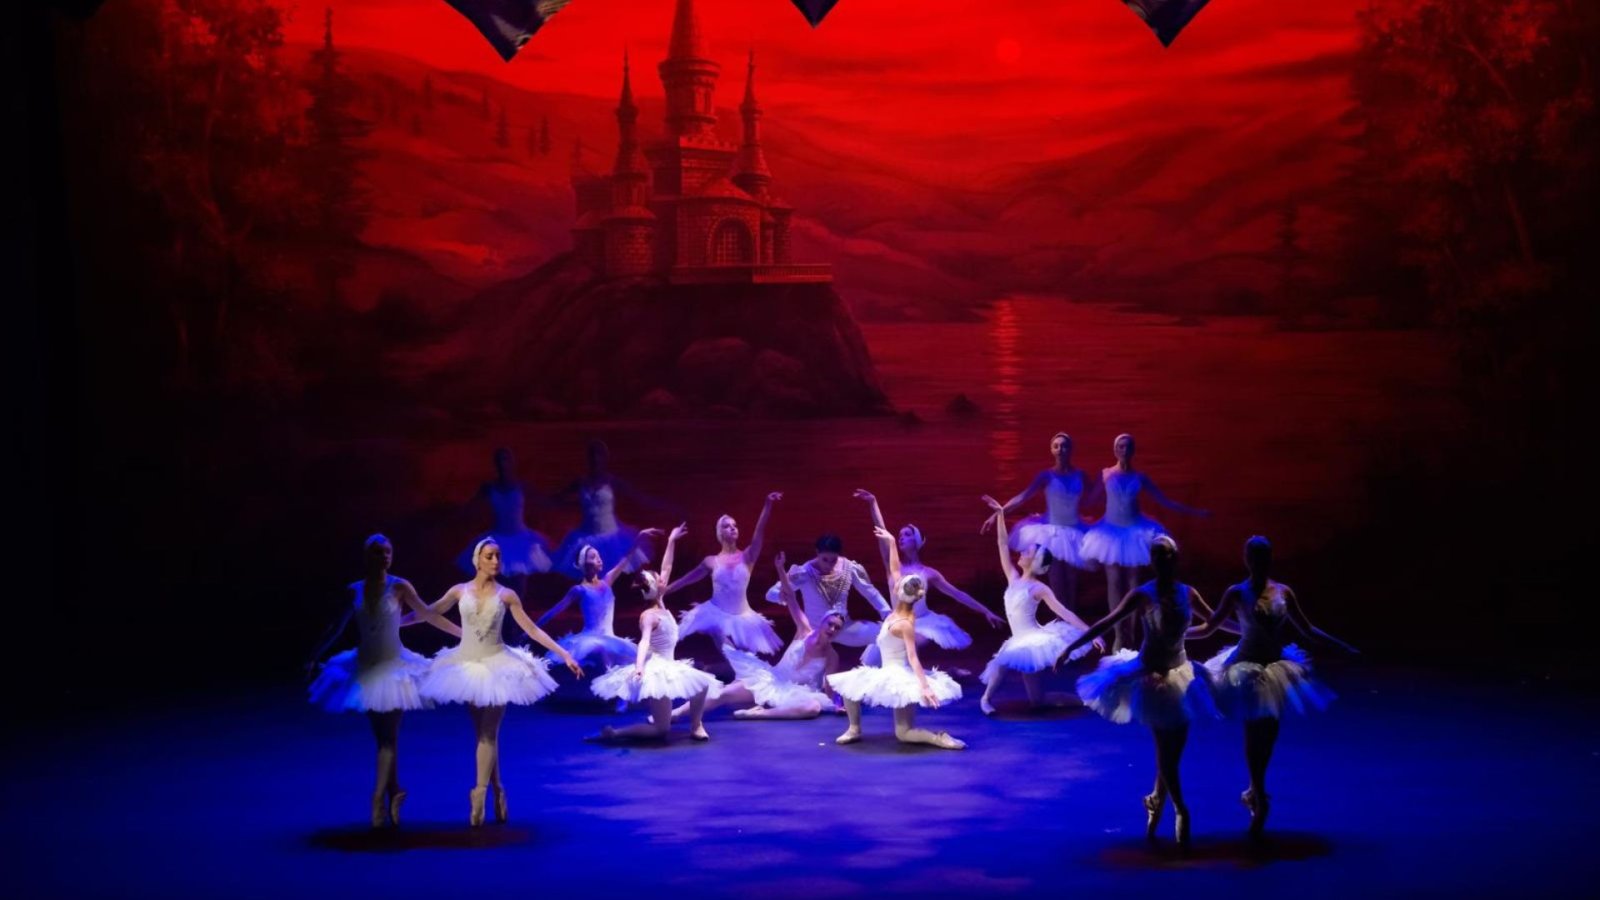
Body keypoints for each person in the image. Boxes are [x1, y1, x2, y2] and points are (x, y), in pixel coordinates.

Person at [1188, 535, 1357, 837]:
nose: (1258, 562)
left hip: (1276, 666)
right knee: (1255, 729)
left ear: (1268, 559)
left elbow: (1307, 629)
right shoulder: (1237, 592)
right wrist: (1175, 635)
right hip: (1245, 667)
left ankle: (1255, 788)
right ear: (1247, 560)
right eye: (1254, 557)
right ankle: (1259, 792)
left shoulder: (1283, 591)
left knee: (1270, 731)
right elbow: (1210, 626)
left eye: (1263, 557)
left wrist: (1340, 645)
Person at [418, 538, 585, 826]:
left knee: (488, 733)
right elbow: (427, 612)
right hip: (467, 667)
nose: (495, 561)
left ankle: (478, 795)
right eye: (489, 556)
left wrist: (565, 654)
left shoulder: (507, 595)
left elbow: (531, 629)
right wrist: (393, 623)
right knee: (483, 736)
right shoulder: (459, 591)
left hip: (498, 667)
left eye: (498, 556)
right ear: (477, 560)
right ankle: (498, 790)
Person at [1064, 535, 1215, 849]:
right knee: (1165, 751)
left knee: (1175, 750)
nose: (1162, 561)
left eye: (1166, 555)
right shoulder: (1143, 594)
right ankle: (1181, 809)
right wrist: (1071, 647)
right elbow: (1108, 621)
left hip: (1182, 673)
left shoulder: (1188, 593)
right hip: (1152, 676)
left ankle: (1156, 798)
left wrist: (1256, 632)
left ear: (1175, 558)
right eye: (1157, 556)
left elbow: (1213, 624)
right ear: (1152, 561)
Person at [307, 534, 461, 827]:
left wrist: (463, 635)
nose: (385, 557)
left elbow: (428, 615)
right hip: (365, 668)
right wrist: (314, 655)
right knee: (382, 739)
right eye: (378, 552)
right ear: (367, 556)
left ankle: (378, 799)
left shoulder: (400, 586)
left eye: (388, 551)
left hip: (395, 670)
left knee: (388, 739)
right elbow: (336, 627)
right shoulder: (354, 590)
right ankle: (394, 790)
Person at [827, 526, 966, 750]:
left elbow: (913, 657)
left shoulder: (904, 623)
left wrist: (925, 686)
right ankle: (854, 728)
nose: (894, 582)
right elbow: (894, 568)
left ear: (901, 593)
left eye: (897, 585)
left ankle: (939, 737)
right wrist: (891, 542)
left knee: (904, 733)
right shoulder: (895, 612)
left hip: (899, 675)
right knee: (848, 687)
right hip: (886, 670)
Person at [589, 523, 724, 741]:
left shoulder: (661, 602)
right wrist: (639, 667)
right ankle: (614, 733)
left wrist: (671, 540)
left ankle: (696, 725)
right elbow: (643, 642)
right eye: (658, 579)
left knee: (702, 684)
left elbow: (667, 566)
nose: (663, 579)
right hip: (657, 669)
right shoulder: (649, 615)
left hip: (670, 664)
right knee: (661, 729)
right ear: (653, 588)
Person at [1080, 433, 1208, 650]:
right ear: (1115, 450)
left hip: (1135, 532)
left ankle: (1130, 635)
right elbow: (1091, 500)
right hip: (1110, 533)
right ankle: (1119, 635)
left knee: (1133, 584)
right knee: (1114, 582)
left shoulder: (1140, 477)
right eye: (1120, 446)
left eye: (1128, 446)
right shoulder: (1106, 474)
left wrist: (1194, 511)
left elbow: (1164, 501)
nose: (1124, 450)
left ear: (1133, 450)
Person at [682, 551, 846, 720]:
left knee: (812, 707)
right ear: (822, 623)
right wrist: (780, 568)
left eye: (837, 628)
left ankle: (759, 714)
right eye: (830, 624)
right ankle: (676, 714)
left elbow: (829, 688)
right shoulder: (804, 631)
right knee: (724, 693)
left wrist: (838, 705)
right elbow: (791, 597)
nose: (832, 629)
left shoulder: (832, 656)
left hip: (797, 694)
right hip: (771, 682)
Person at [977, 498, 1101, 715]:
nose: (1022, 553)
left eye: (1028, 552)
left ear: (1035, 563)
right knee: (1010, 671)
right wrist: (1001, 515)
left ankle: (1083, 701)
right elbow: (1002, 544)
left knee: (1035, 697)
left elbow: (1064, 612)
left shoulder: (1038, 588)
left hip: (1031, 640)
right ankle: (986, 699)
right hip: (1019, 639)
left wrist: (1092, 633)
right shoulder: (1013, 577)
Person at [857, 488, 1004, 651]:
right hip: (898, 621)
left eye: (907, 534)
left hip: (922, 622)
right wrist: (873, 503)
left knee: (909, 649)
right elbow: (881, 530)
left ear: (917, 540)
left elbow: (957, 594)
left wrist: (986, 611)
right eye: (900, 535)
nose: (901, 537)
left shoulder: (929, 573)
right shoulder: (893, 566)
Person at [981, 432, 1094, 615]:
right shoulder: (1046, 476)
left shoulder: (1081, 475)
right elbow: (1023, 497)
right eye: (1056, 446)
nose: (1060, 449)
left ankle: (1074, 625)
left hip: (1074, 531)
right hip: (1052, 533)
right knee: (1057, 582)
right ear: (1051, 450)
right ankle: (1060, 622)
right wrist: (998, 513)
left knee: (1072, 583)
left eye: (1064, 446)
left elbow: (1093, 499)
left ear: (1070, 449)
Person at [665, 493, 785, 655]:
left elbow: (760, 531)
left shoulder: (748, 556)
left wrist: (767, 504)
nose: (732, 528)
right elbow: (685, 580)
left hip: (743, 615)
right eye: (727, 526)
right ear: (720, 533)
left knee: (744, 659)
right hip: (716, 612)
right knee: (724, 645)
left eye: (735, 525)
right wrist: (663, 591)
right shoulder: (711, 561)